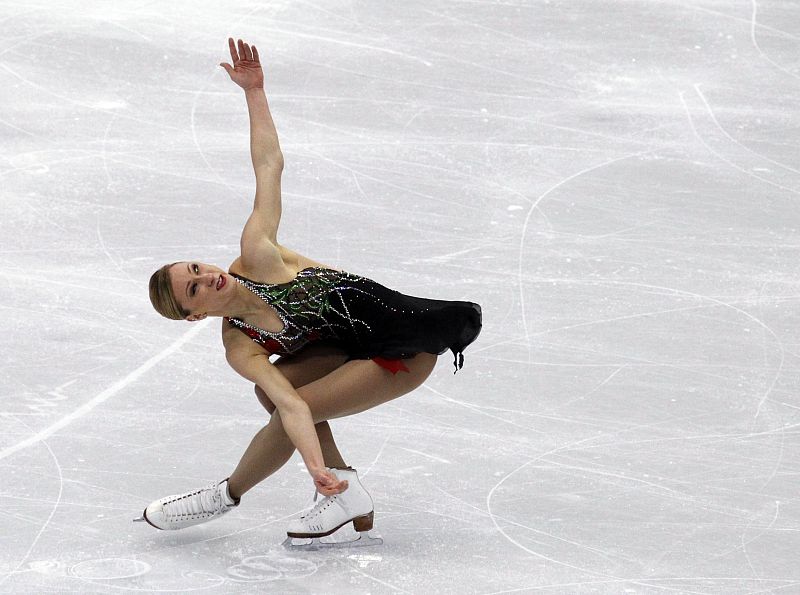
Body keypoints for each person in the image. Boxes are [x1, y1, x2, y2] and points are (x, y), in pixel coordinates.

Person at [140, 38, 481, 545]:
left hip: (404, 347)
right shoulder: (241, 344)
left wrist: (254, 91)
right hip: (353, 351)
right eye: (194, 288)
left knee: (285, 408)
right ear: (194, 315)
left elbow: (268, 166)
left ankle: (226, 495)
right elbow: (292, 406)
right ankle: (343, 489)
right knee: (270, 392)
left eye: (196, 266)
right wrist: (317, 468)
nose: (206, 275)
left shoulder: (257, 255)